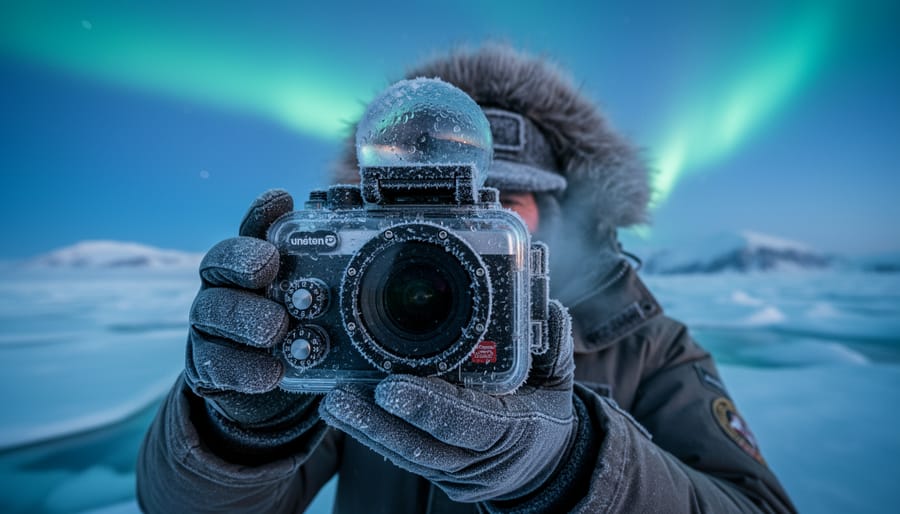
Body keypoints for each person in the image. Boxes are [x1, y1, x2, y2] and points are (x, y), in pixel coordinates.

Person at [137, 45, 796, 513]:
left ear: (552, 220)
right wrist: (239, 430)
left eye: (497, 205)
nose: (454, 234)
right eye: (434, 210)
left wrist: (566, 469)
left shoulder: (647, 347)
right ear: (378, 212)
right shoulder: (337, 327)